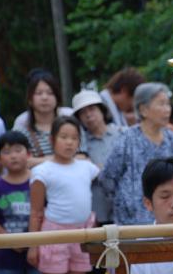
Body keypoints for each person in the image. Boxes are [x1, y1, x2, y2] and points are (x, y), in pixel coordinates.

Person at [100, 82, 173, 225]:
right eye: (161, 104)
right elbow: (108, 177)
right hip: (131, 220)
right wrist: (125, 199)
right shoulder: (127, 137)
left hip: (166, 216)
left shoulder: (170, 138)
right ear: (143, 110)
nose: (167, 109)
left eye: (168, 104)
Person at [27, 116, 99, 273]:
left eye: (74, 138)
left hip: (83, 233)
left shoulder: (87, 167)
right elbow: (36, 212)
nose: (69, 142)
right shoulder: (42, 171)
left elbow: (100, 170)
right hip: (54, 234)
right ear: (52, 139)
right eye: (64, 137)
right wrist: (33, 246)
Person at [72, 89, 124, 225]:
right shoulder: (77, 144)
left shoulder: (122, 134)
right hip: (96, 212)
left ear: (102, 110)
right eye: (82, 112)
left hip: (124, 208)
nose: (88, 115)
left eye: (92, 109)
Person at [13, 69, 78, 168]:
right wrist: (60, 159)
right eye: (39, 93)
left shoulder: (71, 122)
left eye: (50, 93)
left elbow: (83, 156)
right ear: (30, 99)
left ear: (57, 97)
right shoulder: (21, 130)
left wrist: (41, 160)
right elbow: (21, 162)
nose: (44, 98)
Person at [0, 131, 39, 274]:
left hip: (38, 253)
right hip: (4, 257)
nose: (13, 156)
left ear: (28, 154)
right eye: (7, 152)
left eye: (18, 150)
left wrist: (34, 244)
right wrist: (11, 241)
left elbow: (45, 213)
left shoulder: (39, 182)